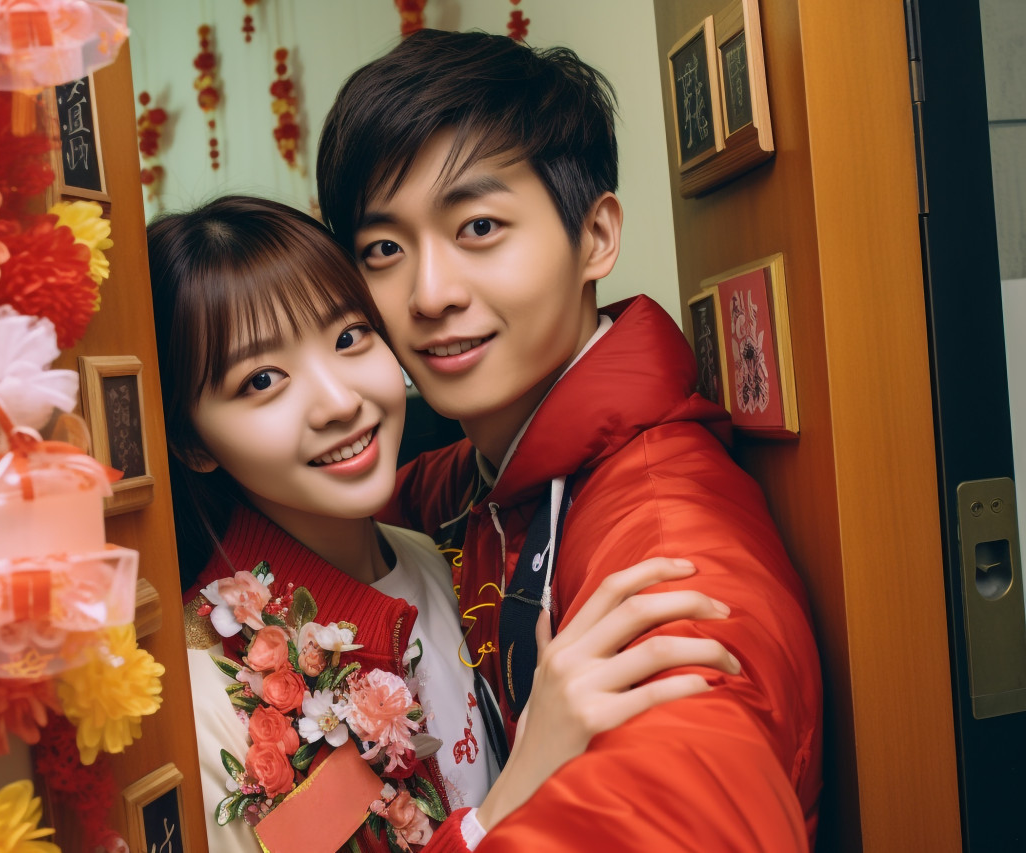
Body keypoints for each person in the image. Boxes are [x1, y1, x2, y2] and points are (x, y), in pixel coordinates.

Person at [316, 29, 823, 852]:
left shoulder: (664, 540)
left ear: (595, 238)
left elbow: (688, 799)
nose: (430, 293)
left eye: (479, 226)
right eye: (383, 249)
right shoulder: (475, 477)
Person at [149, 196, 742, 852]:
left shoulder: (429, 552)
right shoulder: (201, 689)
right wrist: (519, 786)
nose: (341, 401)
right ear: (192, 441)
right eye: (262, 379)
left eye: (349, 337)